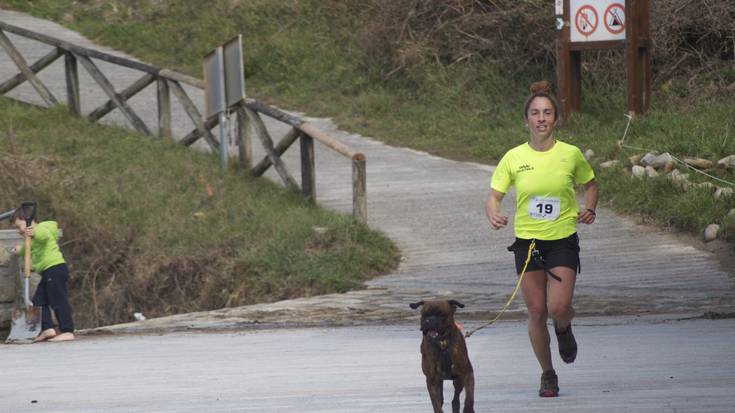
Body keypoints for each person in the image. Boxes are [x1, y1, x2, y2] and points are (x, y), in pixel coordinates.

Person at [485, 81, 599, 397]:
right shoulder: (513, 157)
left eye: (547, 113)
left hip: (562, 239)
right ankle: (547, 373)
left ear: (556, 119)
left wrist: (590, 208)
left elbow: (591, 185)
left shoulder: (571, 154)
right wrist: (493, 212)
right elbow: (493, 196)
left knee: (558, 306)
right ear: (526, 120)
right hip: (528, 243)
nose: (541, 119)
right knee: (536, 311)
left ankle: (564, 328)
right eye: (535, 113)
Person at [10, 207, 75, 342]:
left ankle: (68, 331)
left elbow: (43, 236)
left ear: (28, 221)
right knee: (38, 302)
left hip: (55, 268)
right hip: (48, 272)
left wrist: (34, 232)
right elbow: (28, 248)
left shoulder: (42, 228)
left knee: (58, 300)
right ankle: (48, 329)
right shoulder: (31, 239)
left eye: (19, 226)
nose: (18, 231)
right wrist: (16, 250)